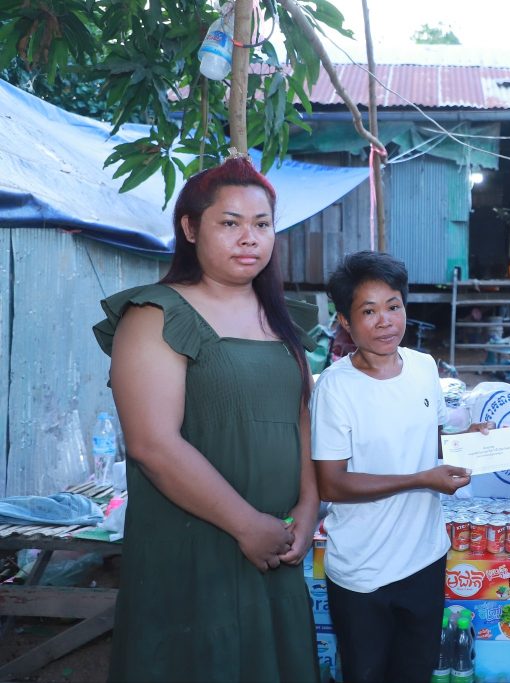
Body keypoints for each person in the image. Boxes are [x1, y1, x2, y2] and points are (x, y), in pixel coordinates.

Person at [93, 156, 320, 681]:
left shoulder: (281, 318)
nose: (249, 238)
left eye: (262, 224)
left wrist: (308, 508)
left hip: (276, 542)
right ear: (191, 229)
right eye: (230, 223)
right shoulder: (155, 313)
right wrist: (246, 525)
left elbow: (303, 418)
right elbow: (152, 444)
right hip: (194, 541)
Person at [310, 251, 484, 683]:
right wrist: (421, 479)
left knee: (415, 672)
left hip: (425, 557)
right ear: (345, 321)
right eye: (368, 311)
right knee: (366, 673)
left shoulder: (423, 367)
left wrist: (478, 440)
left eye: (393, 306)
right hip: (362, 570)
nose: (385, 321)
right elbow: (331, 483)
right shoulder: (335, 388)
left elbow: (431, 439)